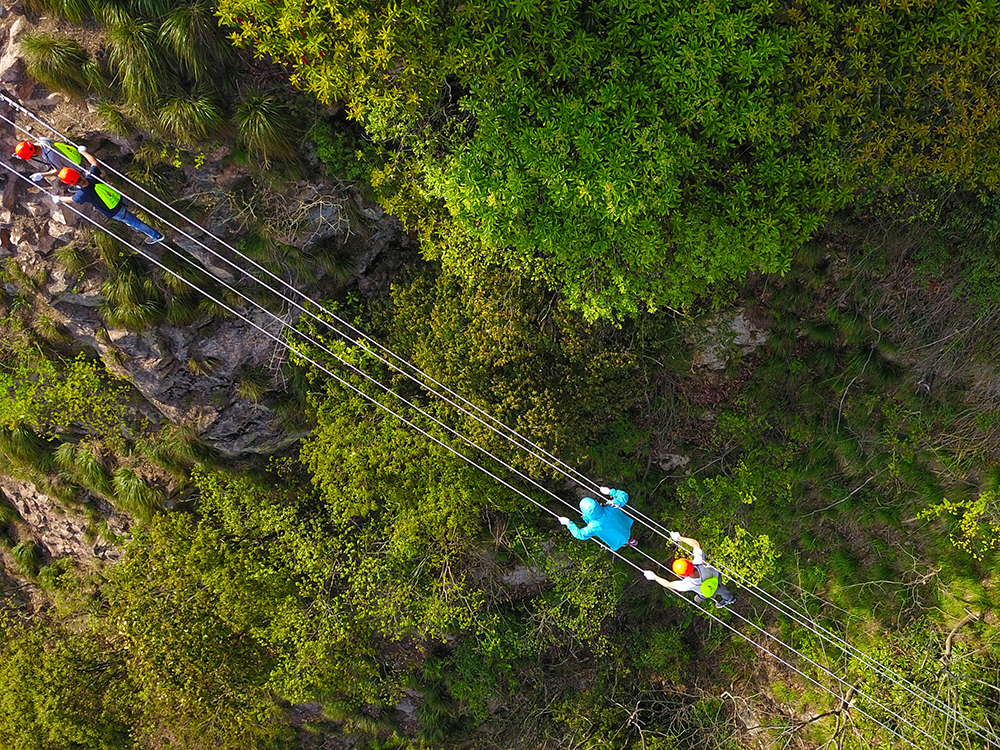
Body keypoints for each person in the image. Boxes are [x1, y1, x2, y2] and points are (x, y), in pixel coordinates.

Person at [49, 150, 164, 244]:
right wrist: (83, 152)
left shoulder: (82, 194)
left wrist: (58, 198)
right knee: (132, 214)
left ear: (72, 183)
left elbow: (71, 200)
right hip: (118, 198)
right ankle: (149, 216)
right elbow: (94, 162)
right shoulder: (92, 176)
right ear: (77, 173)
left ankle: (156, 235)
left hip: (114, 210)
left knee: (135, 223)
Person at [644, 532, 736, 607]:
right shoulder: (699, 562)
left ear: (682, 575)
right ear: (688, 561)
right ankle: (729, 598)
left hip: (708, 591)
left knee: (697, 599)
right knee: (720, 587)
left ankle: (726, 598)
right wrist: (679, 538)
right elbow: (696, 544)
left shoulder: (688, 584)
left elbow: (669, 585)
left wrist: (654, 577)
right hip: (716, 577)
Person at [558, 486, 636, 550]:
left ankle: (629, 541)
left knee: (620, 539)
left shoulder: (593, 526)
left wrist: (568, 523)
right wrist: (610, 491)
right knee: (625, 535)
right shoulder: (610, 506)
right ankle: (631, 541)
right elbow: (624, 496)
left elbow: (580, 535)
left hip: (616, 539)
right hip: (625, 528)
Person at [13, 137, 85, 183]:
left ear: (33, 155)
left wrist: (42, 175)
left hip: (77, 165)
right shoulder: (43, 140)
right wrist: (23, 154)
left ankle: (79, 181)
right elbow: (31, 148)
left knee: (65, 175)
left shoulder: (51, 156)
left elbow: (58, 170)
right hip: (72, 152)